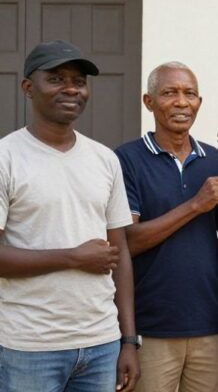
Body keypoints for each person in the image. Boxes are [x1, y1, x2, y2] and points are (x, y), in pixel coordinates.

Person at [0, 40, 139, 391]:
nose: (72, 89)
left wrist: (128, 340)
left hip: (101, 343)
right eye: (57, 79)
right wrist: (74, 257)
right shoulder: (6, 157)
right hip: (29, 346)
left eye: (79, 81)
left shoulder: (105, 159)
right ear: (28, 87)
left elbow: (120, 253)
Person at [115, 62, 218, 392]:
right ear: (148, 102)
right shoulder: (126, 159)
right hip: (152, 329)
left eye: (190, 94)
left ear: (199, 102)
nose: (181, 102)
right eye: (169, 93)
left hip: (213, 326)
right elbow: (127, 242)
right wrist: (196, 204)